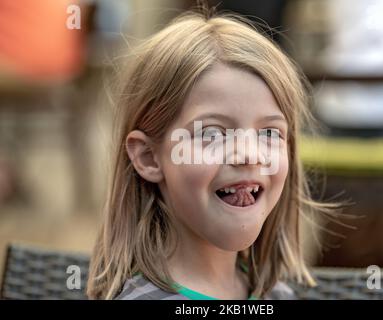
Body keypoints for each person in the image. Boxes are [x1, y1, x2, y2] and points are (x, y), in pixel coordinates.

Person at [87, 9, 333, 300]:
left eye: (269, 133)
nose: (249, 155)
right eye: (212, 134)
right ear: (149, 157)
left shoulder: (279, 295)